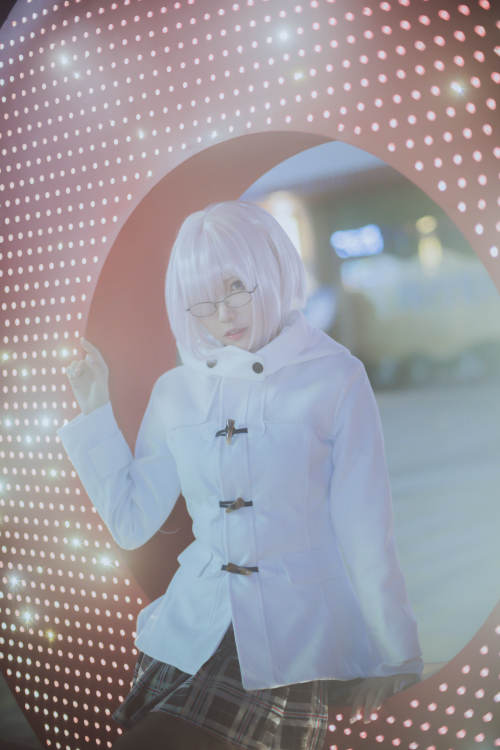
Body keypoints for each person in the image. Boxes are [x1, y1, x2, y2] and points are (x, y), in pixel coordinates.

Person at [57, 200, 423, 750]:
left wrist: (397, 652)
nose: (223, 314)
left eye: (235, 287)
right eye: (202, 301)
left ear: (269, 268)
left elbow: (365, 528)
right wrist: (95, 411)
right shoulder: (176, 391)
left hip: (291, 641)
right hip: (187, 634)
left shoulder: (335, 378)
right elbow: (131, 522)